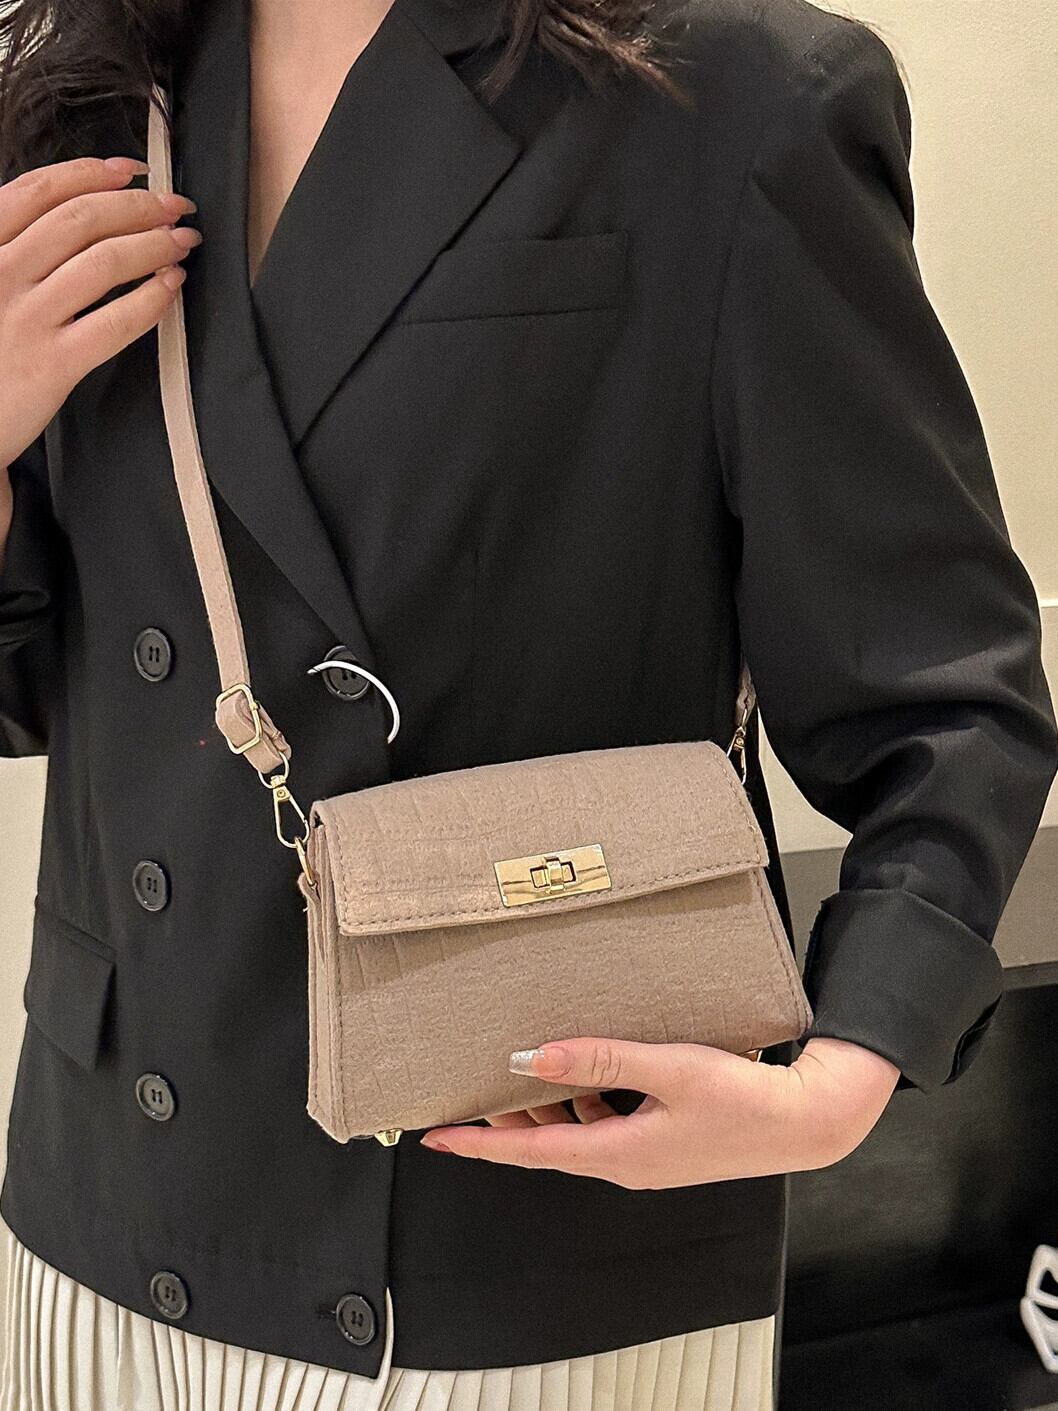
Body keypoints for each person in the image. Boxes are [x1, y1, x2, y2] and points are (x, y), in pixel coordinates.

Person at [0, 0, 1055, 1407]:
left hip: (519, 1225)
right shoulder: (79, 96)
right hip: (100, 1218)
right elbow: (32, 694)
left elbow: (944, 689)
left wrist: (841, 1078)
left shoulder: (735, 96)